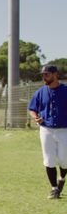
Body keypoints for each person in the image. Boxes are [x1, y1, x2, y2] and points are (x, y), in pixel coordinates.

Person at [28, 64, 67, 199]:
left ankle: (62, 178)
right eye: (43, 74)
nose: (44, 77)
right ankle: (54, 189)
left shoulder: (65, 90)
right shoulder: (40, 92)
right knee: (49, 160)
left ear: (55, 74)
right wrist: (35, 117)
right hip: (46, 129)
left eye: (47, 74)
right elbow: (32, 108)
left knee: (64, 160)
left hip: (64, 130)